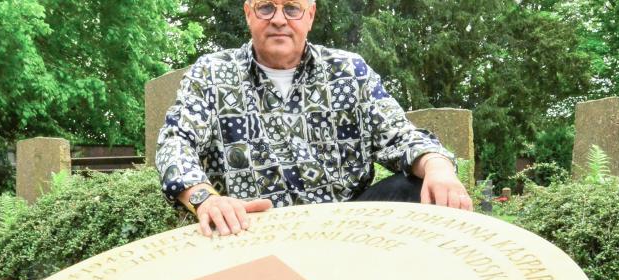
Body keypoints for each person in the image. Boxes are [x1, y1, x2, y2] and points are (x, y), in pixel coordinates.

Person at [156, 0, 472, 237]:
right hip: (251, 230)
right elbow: (176, 141)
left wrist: (437, 166)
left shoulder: (350, 70)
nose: (279, 19)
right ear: (248, 13)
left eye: (292, 8)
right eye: (266, 7)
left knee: (420, 186)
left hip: (347, 227)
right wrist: (205, 198)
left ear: (310, 15)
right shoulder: (212, 73)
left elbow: (401, 137)